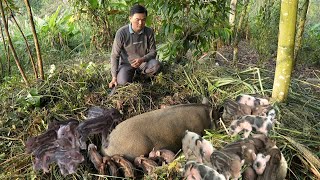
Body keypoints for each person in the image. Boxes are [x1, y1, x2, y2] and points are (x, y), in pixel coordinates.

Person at [108, 4, 161, 88]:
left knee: (156, 65)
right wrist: (114, 77)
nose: (140, 23)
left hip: (143, 63)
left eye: (143, 20)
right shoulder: (121, 33)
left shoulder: (149, 32)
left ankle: (142, 76)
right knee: (122, 82)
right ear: (130, 19)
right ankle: (130, 75)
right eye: (137, 20)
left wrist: (142, 59)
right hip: (127, 65)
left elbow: (153, 52)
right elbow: (115, 55)